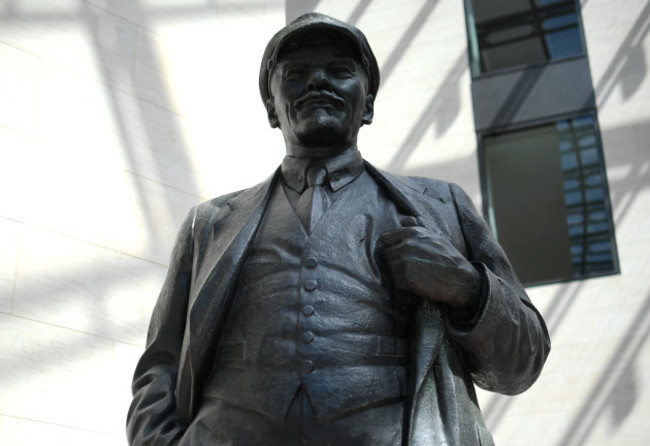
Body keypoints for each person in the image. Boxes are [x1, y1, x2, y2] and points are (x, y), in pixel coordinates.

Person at [127, 12, 550, 446]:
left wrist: (468, 287)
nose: (317, 82)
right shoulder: (210, 224)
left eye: (340, 71)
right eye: (296, 73)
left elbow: (522, 363)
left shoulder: (441, 206)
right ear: (272, 108)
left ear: (366, 103)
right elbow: (160, 365)